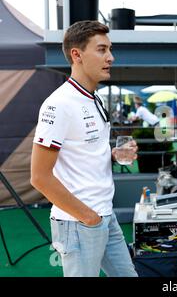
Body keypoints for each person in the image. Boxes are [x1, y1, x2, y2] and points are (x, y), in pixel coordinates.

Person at [30, 20, 138, 277]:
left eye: (110, 49)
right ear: (76, 55)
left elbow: (83, 151)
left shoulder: (95, 98)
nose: (111, 57)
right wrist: (88, 217)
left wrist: (113, 154)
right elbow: (39, 177)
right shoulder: (58, 105)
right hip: (80, 221)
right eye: (101, 50)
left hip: (104, 214)